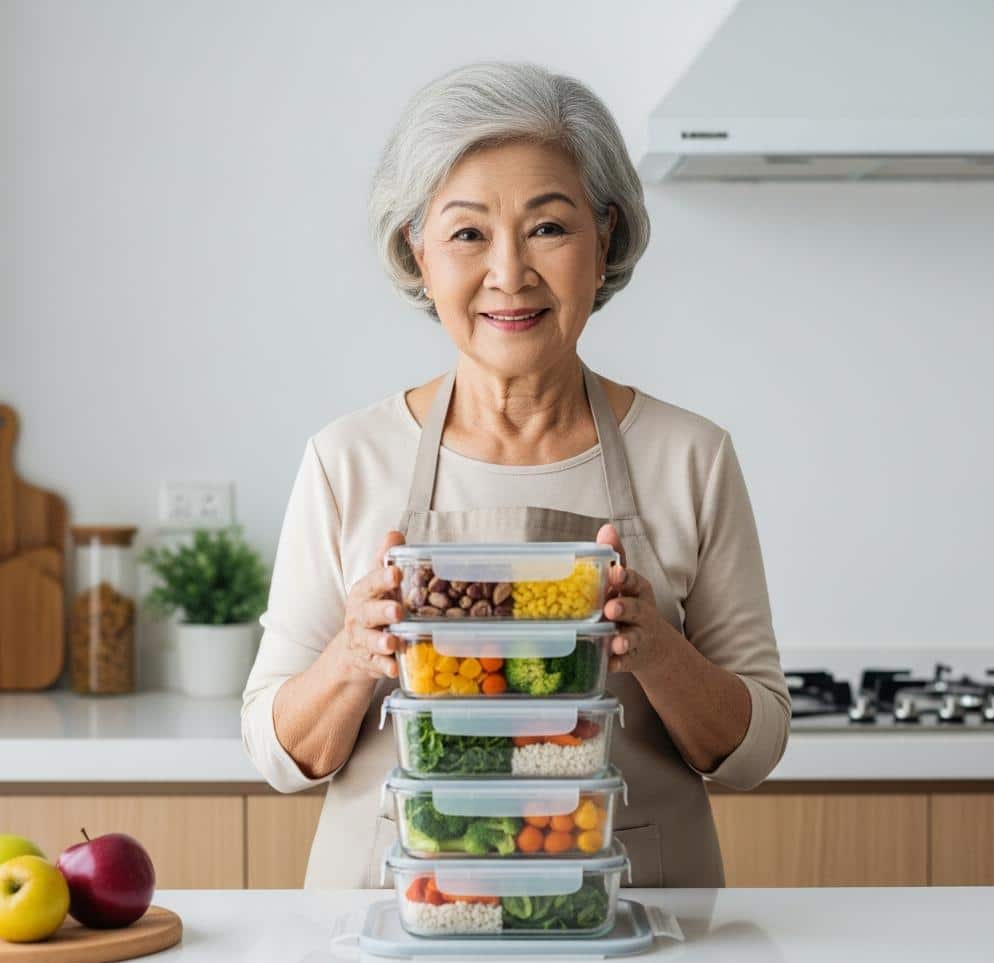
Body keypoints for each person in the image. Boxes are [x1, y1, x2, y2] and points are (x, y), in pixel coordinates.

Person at [241, 60, 790, 889]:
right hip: (393, 931)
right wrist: (352, 655)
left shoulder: (690, 457)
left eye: (548, 228)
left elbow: (752, 752)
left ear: (604, 239)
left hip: (639, 927)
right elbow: (280, 755)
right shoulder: (346, 460)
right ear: (417, 251)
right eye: (467, 233)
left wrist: (657, 651)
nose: (510, 273)